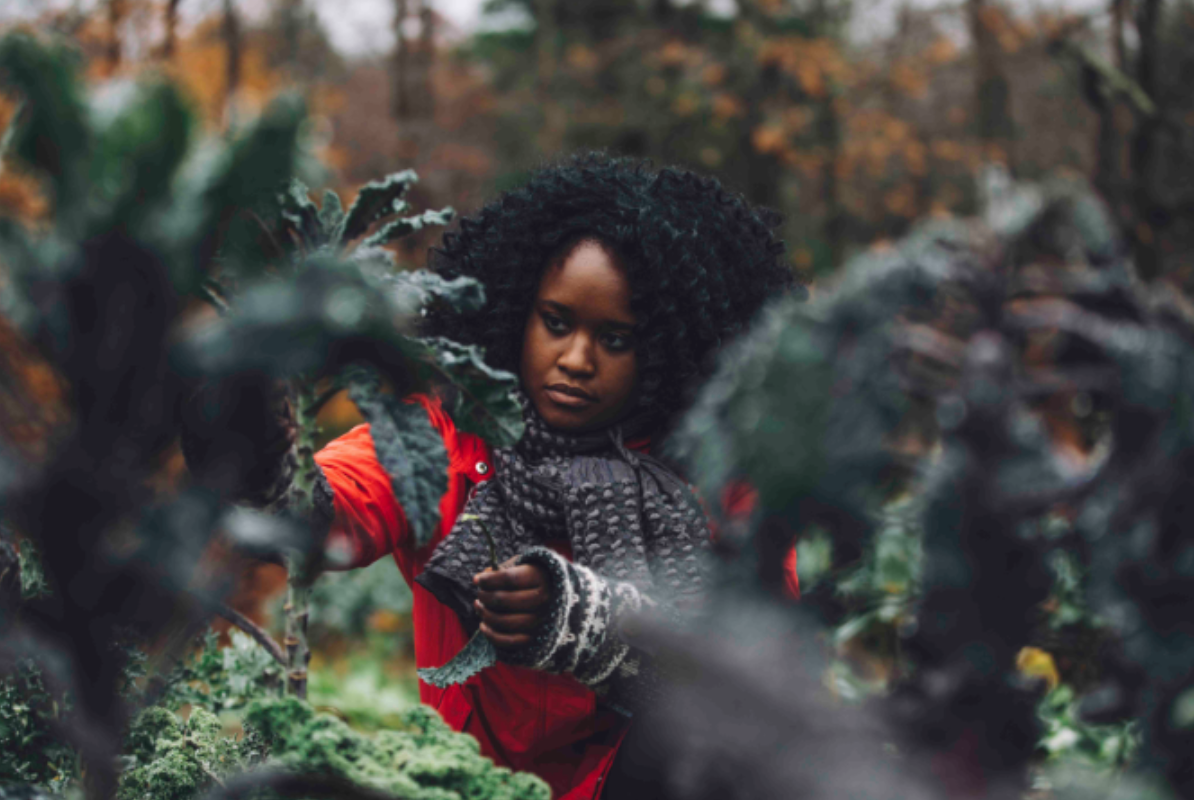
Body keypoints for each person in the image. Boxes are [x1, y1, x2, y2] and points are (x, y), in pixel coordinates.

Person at [184, 153, 800, 799]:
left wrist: (590, 624)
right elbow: (323, 513)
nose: (577, 359)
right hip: (464, 785)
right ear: (517, 312)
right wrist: (248, 445)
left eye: (616, 339)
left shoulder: (719, 477)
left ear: (672, 348)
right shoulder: (443, 438)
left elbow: (765, 674)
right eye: (556, 323)